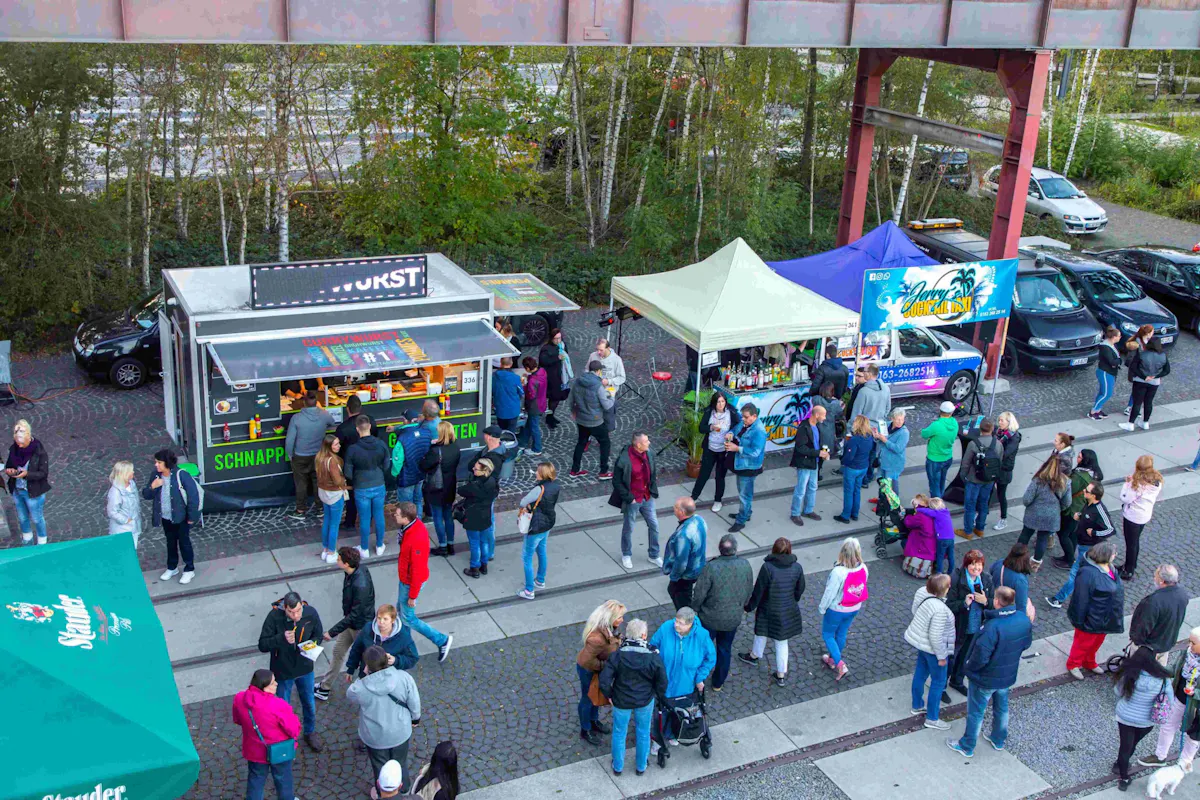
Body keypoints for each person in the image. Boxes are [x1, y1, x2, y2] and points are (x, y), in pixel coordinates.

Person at [946, 585, 1033, 758]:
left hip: (985, 678)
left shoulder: (992, 627)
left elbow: (980, 657)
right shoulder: (1023, 620)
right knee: (1002, 708)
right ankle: (998, 739)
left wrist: (968, 667)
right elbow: (1026, 644)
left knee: (976, 713)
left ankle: (967, 745)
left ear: (996, 602)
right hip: (1006, 675)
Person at [346, 645, 422, 795]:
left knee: (379, 766)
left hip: (375, 737)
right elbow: (414, 701)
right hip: (400, 731)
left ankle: (383, 793)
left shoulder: (360, 688)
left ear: (367, 665)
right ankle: (404, 790)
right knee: (400, 763)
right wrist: (415, 718)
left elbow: (350, 694)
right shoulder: (403, 677)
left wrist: (364, 675)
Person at [598, 618, 667, 777]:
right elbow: (662, 681)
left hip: (621, 700)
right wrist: (656, 695)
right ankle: (641, 766)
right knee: (643, 732)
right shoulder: (652, 656)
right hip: (644, 701)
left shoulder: (618, 655)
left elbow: (604, 680)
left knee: (619, 732)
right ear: (643, 635)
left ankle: (618, 766)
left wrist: (609, 695)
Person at [257, 591, 324, 751]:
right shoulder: (274, 617)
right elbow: (262, 645)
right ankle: (285, 737)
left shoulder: (310, 613)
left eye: (299, 611)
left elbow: (318, 635)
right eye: (291, 612)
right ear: (284, 608)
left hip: (305, 668)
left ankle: (310, 732)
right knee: (283, 707)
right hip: (283, 671)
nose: (296, 615)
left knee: (309, 702)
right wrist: (281, 638)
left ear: (302, 605)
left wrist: (310, 645)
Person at [739, 538, 806, 687]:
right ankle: (781, 674)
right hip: (786, 609)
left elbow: (759, 591)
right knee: (782, 641)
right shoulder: (797, 567)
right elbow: (800, 588)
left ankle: (754, 655)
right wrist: (792, 599)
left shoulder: (768, 568)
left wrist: (749, 606)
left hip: (767, 608)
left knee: (761, 632)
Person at [691, 534, 754, 691]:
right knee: (724, 649)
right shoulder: (745, 565)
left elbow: (699, 593)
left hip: (709, 618)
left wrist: (695, 609)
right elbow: (748, 591)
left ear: (720, 549)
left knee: (702, 648)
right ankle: (718, 682)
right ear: (735, 549)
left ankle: (696, 679)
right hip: (732, 619)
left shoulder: (711, 567)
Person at [393, 503, 453, 662]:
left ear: (406, 518)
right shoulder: (411, 527)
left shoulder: (415, 537)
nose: (394, 516)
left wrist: (412, 595)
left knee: (409, 618)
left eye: (397, 514)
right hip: (406, 579)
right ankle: (403, 645)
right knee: (402, 614)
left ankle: (442, 640)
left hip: (410, 583)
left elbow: (418, 571)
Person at [315, 546, 376, 702]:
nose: (337, 560)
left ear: (347, 563)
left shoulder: (359, 584)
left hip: (360, 627)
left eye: (339, 559)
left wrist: (332, 632)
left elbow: (356, 613)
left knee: (366, 661)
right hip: (351, 623)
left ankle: (371, 691)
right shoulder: (353, 572)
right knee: (337, 652)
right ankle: (324, 687)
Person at [232, 669, 300, 800]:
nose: (276, 684)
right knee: (283, 779)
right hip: (279, 750)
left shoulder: (239, 698)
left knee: (256, 780)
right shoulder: (278, 705)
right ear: (264, 687)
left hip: (254, 751)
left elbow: (237, 719)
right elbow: (293, 730)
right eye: (273, 683)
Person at [1046, 481, 1114, 610]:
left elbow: (1110, 529)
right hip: (1083, 544)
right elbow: (1089, 517)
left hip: (1089, 547)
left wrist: (1094, 532)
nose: (1084, 492)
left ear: (1094, 496)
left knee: (1075, 574)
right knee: (1089, 573)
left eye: (1086, 491)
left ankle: (1058, 599)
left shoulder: (1099, 509)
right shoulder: (1088, 504)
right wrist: (1081, 517)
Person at [1112, 646, 1172, 791]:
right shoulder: (1163, 679)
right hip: (1147, 721)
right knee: (1132, 744)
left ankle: (1124, 777)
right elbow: (1170, 698)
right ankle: (1120, 763)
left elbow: (1117, 692)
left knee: (1125, 747)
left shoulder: (1129, 675)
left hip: (1126, 717)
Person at [1140, 627, 1200, 770]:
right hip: (1180, 696)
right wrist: (1159, 670)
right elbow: (1176, 669)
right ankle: (1160, 756)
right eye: (1189, 641)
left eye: (1193, 643)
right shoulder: (1187, 653)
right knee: (1167, 726)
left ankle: (1184, 763)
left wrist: (1196, 693)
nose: (1189, 646)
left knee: (1194, 736)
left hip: (1197, 707)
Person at [1065, 540, 1125, 679]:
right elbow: (1081, 598)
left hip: (1105, 616)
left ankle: (1089, 661)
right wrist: (1079, 620)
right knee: (1082, 643)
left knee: (1097, 642)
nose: (1115, 555)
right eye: (1113, 553)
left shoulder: (1109, 567)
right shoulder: (1087, 573)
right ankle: (1073, 664)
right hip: (1091, 617)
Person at [905, 573, 956, 730]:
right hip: (934, 650)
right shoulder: (940, 610)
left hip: (922, 645)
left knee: (920, 674)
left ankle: (917, 705)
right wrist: (941, 656)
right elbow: (936, 636)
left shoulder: (924, 595)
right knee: (938, 682)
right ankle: (932, 718)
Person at [144, 448, 200, 584]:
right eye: (156, 462)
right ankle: (172, 567)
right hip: (166, 517)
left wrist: (192, 517)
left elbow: (194, 497)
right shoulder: (156, 476)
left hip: (181, 517)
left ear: (167, 463)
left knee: (184, 543)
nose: (156, 465)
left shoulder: (182, 475)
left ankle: (189, 569)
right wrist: (152, 486)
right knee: (170, 542)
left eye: (159, 462)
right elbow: (146, 495)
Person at [609, 432, 662, 569]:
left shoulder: (648, 453)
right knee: (629, 528)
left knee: (654, 525)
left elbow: (653, 471)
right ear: (638, 445)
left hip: (647, 496)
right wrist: (629, 497)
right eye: (646, 441)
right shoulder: (624, 459)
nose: (649, 442)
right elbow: (617, 481)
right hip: (633, 499)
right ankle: (626, 554)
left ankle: (654, 555)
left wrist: (652, 486)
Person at [818, 537, 869, 680]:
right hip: (854, 607)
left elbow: (830, 593)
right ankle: (833, 660)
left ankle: (839, 663)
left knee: (828, 634)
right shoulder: (863, 567)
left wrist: (822, 608)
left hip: (837, 609)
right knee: (841, 633)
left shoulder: (838, 572)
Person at [576, 600, 625, 746]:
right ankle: (586, 728)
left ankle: (593, 720)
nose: (622, 620)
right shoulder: (597, 639)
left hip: (597, 669)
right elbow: (586, 661)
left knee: (596, 696)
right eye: (620, 617)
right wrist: (606, 666)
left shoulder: (609, 628)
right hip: (589, 670)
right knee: (588, 698)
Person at [946, 550, 994, 695]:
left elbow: (993, 603)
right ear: (966, 565)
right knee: (951, 658)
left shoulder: (986, 579)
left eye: (979, 565)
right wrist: (964, 604)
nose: (976, 568)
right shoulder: (955, 579)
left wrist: (986, 601)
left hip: (975, 627)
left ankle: (957, 681)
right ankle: (941, 686)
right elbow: (948, 605)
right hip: (958, 626)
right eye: (973, 565)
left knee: (965, 656)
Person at [345, 415, 391, 557]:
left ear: (357, 429)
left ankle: (364, 548)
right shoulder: (381, 444)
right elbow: (387, 464)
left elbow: (347, 472)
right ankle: (379, 545)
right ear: (370, 426)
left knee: (364, 518)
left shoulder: (352, 449)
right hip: (378, 484)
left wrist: (356, 479)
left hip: (361, 486)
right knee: (379, 516)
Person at [285, 392, 335, 519]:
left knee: (301, 483)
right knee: (318, 481)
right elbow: (332, 422)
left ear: (304, 403)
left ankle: (301, 510)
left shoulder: (296, 418)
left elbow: (290, 440)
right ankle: (320, 509)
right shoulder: (324, 415)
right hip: (318, 454)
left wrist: (290, 454)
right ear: (316, 402)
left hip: (300, 456)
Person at [1052, 449, 1105, 569]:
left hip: (1072, 508)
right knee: (1072, 533)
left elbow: (1069, 489)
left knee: (1063, 533)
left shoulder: (1080, 476)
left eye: (1080, 457)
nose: (1077, 458)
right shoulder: (1093, 473)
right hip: (1082, 507)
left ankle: (1070, 559)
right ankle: (1068, 556)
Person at [1017, 454, 1071, 570]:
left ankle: (1017, 557)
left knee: (1025, 534)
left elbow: (1027, 499)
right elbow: (1067, 502)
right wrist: (1056, 510)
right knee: (1043, 538)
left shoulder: (1038, 480)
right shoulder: (1066, 482)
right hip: (1051, 516)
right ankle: (1035, 564)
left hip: (1034, 513)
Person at [650, 606, 716, 699]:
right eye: (676, 621)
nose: (676, 625)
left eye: (680, 623)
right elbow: (652, 647)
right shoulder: (665, 628)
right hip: (664, 683)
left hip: (686, 687)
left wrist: (700, 677)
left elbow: (710, 658)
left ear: (690, 624)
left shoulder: (702, 636)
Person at [1117, 454, 1164, 581]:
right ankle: (1130, 564)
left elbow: (1125, 498)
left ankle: (1129, 570)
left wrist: (1127, 484)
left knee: (1131, 543)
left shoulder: (1137, 484)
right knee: (1135, 541)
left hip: (1133, 516)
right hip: (1144, 515)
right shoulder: (1156, 481)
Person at [517, 462, 560, 600]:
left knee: (527, 557)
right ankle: (540, 580)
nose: (535, 473)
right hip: (547, 523)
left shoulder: (539, 489)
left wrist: (529, 504)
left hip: (536, 525)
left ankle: (529, 590)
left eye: (537, 471)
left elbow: (522, 502)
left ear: (542, 474)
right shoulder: (555, 486)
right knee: (542, 551)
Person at [335, 394, 379, 531]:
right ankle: (368, 518)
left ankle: (350, 521)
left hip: (351, 466)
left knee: (352, 494)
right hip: (369, 463)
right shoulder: (370, 421)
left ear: (347, 409)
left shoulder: (342, 428)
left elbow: (338, 447)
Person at [5, 419, 50, 546]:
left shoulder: (39, 451)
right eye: (17, 442)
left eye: (21, 443)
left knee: (36, 518)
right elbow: (9, 464)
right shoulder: (14, 449)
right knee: (22, 518)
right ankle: (27, 539)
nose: (19, 445)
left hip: (33, 492)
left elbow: (43, 473)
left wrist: (27, 474)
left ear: (28, 437)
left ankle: (42, 542)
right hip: (17, 490)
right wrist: (9, 471)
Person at [345, 604, 419, 679]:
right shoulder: (367, 629)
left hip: (389, 679)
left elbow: (413, 658)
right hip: (367, 676)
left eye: (385, 619)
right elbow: (356, 649)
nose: (381, 622)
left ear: (393, 620)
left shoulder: (403, 636)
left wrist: (395, 660)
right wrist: (351, 669)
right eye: (379, 618)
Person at [725, 403, 767, 534]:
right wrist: (730, 434)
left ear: (754, 416)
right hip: (742, 465)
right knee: (743, 492)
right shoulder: (746, 424)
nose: (743, 419)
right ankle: (745, 513)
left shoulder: (759, 431)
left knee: (745, 495)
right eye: (742, 416)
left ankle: (741, 520)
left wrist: (737, 448)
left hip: (749, 466)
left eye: (746, 417)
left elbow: (755, 452)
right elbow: (736, 429)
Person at [1129, 565, 1189, 657]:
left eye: (1155, 576)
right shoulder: (1182, 594)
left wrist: (1136, 641)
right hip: (1166, 644)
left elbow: (1142, 626)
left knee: (1136, 669)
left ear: (1161, 581)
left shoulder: (1152, 602)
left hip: (1148, 648)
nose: (1154, 578)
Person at [422, 421, 461, 557]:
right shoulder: (455, 447)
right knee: (448, 516)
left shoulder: (435, 450)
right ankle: (451, 544)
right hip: (450, 485)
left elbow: (424, 465)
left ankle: (443, 546)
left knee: (438, 517)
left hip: (436, 487)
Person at [569, 360, 615, 478]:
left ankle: (574, 470)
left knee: (581, 442)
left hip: (581, 419)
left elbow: (571, 400)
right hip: (595, 421)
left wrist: (573, 412)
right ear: (598, 371)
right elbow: (607, 406)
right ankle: (603, 471)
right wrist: (612, 396)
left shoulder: (578, 382)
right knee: (605, 443)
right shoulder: (598, 386)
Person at [956, 419, 1000, 539]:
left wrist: (963, 476)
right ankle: (980, 529)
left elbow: (965, 463)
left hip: (974, 479)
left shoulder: (973, 444)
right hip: (989, 480)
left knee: (970, 505)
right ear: (992, 430)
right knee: (984, 504)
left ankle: (968, 531)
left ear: (980, 429)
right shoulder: (998, 444)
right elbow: (1000, 461)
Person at [661, 497, 708, 610]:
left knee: (681, 598)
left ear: (681, 512)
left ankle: (686, 619)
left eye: (675, 507)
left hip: (686, 574)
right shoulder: (699, 519)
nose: (673, 508)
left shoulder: (683, 535)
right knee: (676, 591)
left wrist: (674, 577)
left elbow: (681, 562)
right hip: (697, 566)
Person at [849, 364, 891, 486]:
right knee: (873, 453)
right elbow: (888, 408)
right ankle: (869, 476)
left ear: (869, 373)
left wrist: (851, 427)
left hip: (865, 428)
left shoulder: (864, 391)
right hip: (878, 427)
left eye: (865, 371)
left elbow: (856, 413)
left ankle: (861, 478)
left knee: (863, 454)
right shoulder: (886, 388)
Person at [691, 392, 733, 511]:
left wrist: (731, 434)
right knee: (704, 474)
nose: (721, 404)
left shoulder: (731, 413)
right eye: (718, 402)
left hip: (723, 449)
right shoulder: (709, 412)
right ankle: (693, 497)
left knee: (720, 476)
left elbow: (737, 426)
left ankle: (718, 500)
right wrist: (711, 427)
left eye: (723, 402)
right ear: (714, 403)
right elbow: (701, 428)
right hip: (710, 448)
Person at [459, 458, 499, 578]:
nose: (473, 469)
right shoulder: (492, 482)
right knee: (484, 542)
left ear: (483, 471)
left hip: (473, 517)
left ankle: (474, 568)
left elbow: (461, 490)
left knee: (474, 543)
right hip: (486, 516)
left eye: (476, 469)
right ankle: (484, 565)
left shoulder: (475, 485)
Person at [1120, 336, 1170, 431]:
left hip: (1140, 381)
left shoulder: (1142, 354)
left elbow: (1133, 367)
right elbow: (1167, 370)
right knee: (1148, 402)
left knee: (1137, 402)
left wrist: (1143, 377)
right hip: (1154, 382)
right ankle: (1145, 422)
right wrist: (1155, 376)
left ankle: (1130, 424)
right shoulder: (1163, 355)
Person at [789, 404, 828, 526]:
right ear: (816, 415)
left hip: (814, 462)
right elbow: (800, 448)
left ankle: (808, 510)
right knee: (801, 489)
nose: (825, 418)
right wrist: (818, 453)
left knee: (812, 487)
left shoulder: (816, 426)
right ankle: (795, 513)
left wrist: (823, 452)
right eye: (824, 415)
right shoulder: (804, 428)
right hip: (805, 463)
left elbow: (816, 443)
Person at [392, 419, 433, 525]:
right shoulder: (426, 432)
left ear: (406, 421)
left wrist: (394, 474)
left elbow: (397, 461)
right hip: (420, 475)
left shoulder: (402, 438)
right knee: (418, 500)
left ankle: (410, 527)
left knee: (406, 506)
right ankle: (418, 525)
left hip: (406, 477)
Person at [315, 434, 348, 565]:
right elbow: (337, 480)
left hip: (323, 493)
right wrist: (343, 480)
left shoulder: (319, 458)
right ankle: (331, 552)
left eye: (338, 443)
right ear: (329, 446)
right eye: (336, 444)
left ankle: (325, 549)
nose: (339, 446)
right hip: (334, 495)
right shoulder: (332, 461)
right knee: (334, 524)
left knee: (327, 521)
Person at [834, 415, 873, 524]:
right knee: (857, 491)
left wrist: (843, 461)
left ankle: (845, 515)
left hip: (852, 468)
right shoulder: (869, 437)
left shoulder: (855, 439)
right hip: (863, 467)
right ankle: (855, 513)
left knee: (848, 492)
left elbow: (849, 457)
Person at [992, 411, 1022, 531]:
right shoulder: (999, 432)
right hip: (995, 466)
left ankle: (1003, 519)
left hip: (1004, 469)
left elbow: (1006, 453)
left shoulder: (1014, 437)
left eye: (1002, 420)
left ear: (1009, 422)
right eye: (999, 420)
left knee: (1001, 495)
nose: (999, 423)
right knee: (988, 491)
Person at [921, 402, 958, 499]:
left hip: (935, 459)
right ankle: (940, 498)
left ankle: (936, 506)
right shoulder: (954, 423)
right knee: (942, 480)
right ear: (952, 412)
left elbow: (924, 434)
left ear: (940, 411)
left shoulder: (937, 425)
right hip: (948, 457)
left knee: (934, 484)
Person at [539, 328, 573, 429]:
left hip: (561, 376)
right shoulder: (546, 348)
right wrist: (556, 358)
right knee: (553, 397)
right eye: (556, 339)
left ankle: (551, 415)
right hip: (551, 378)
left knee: (556, 398)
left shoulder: (562, 345)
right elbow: (543, 361)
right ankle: (549, 416)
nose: (558, 340)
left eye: (559, 338)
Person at [105, 460, 142, 550]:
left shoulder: (132, 484)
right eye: (130, 470)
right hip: (122, 530)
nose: (133, 472)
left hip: (134, 527)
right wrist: (126, 520)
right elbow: (112, 512)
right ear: (124, 474)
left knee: (132, 551)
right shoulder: (115, 492)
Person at [990, 544, 1033, 620]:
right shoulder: (1020, 580)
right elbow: (1021, 605)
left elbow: (991, 570)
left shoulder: (1000, 563)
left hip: (995, 601)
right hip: (1009, 610)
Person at [810, 382, 843, 480]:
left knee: (815, 450)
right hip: (828, 431)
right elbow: (839, 414)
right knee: (824, 451)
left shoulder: (816, 399)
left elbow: (813, 398)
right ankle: (818, 471)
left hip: (816, 429)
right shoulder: (836, 403)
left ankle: (815, 471)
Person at [1088, 326, 1122, 420]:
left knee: (1102, 392)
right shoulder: (1106, 347)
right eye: (1119, 336)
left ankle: (1098, 410)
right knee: (1107, 393)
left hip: (1110, 372)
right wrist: (1119, 361)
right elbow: (1112, 361)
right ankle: (1093, 411)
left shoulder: (1112, 345)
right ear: (1114, 337)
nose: (1120, 337)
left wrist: (1117, 361)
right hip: (1105, 372)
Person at [1121, 323, 1154, 417]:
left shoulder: (1148, 342)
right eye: (1152, 332)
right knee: (1138, 389)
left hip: (1145, 370)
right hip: (1138, 371)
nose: (1153, 334)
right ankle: (1131, 407)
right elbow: (1129, 360)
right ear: (1148, 333)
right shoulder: (1136, 344)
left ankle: (1133, 407)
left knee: (1140, 389)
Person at [874, 408, 909, 497]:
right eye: (898, 419)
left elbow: (898, 449)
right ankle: (881, 501)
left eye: (902, 419)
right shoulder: (886, 425)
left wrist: (885, 440)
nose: (900, 422)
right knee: (881, 481)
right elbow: (879, 441)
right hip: (883, 460)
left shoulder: (904, 432)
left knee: (892, 486)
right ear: (892, 419)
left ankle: (893, 505)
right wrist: (876, 437)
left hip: (893, 463)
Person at [902, 496, 938, 579]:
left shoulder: (921, 515)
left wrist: (907, 515)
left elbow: (908, 522)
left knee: (904, 542)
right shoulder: (932, 513)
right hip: (931, 545)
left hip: (922, 544)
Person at [519, 355, 548, 455]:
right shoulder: (542, 372)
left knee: (534, 427)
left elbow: (531, 395)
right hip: (542, 403)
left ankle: (537, 449)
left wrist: (523, 386)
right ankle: (522, 442)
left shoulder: (532, 381)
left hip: (534, 407)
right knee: (529, 424)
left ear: (527, 368)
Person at [492, 357, 524, 433]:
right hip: (513, 409)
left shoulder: (494, 377)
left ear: (500, 363)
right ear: (511, 363)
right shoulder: (515, 378)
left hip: (500, 408)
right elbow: (521, 393)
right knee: (511, 432)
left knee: (502, 430)